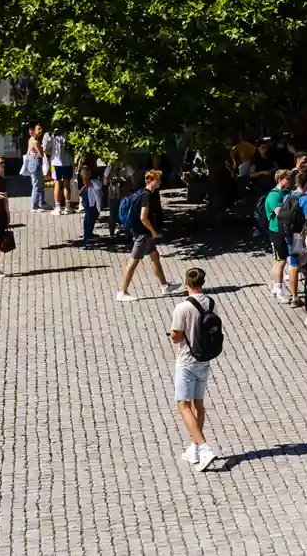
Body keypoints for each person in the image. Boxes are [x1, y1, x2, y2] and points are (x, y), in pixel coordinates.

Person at [168, 266, 221, 472]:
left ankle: (204, 447)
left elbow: (176, 335)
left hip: (186, 361)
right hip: (204, 360)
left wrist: (173, 337)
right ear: (203, 283)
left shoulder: (182, 308)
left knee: (183, 405)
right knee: (198, 403)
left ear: (186, 283)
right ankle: (194, 447)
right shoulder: (211, 303)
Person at [117, 171, 180, 302]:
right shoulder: (146, 196)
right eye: (159, 179)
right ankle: (122, 292)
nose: (160, 182)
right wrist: (153, 231)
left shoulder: (140, 192)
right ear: (153, 180)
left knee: (154, 256)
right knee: (133, 262)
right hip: (143, 234)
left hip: (140, 232)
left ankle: (164, 286)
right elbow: (143, 217)